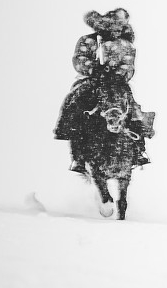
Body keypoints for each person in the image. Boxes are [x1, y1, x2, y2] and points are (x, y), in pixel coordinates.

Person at [54, 9, 153, 173]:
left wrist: (118, 74)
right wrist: (93, 70)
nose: (113, 30)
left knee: (132, 107)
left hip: (116, 82)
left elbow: (128, 64)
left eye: (117, 27)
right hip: (92, 81)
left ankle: (139, 147)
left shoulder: (125, 44)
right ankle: (70, 134)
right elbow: (79, 59)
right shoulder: (88, 41)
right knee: (74, 98)